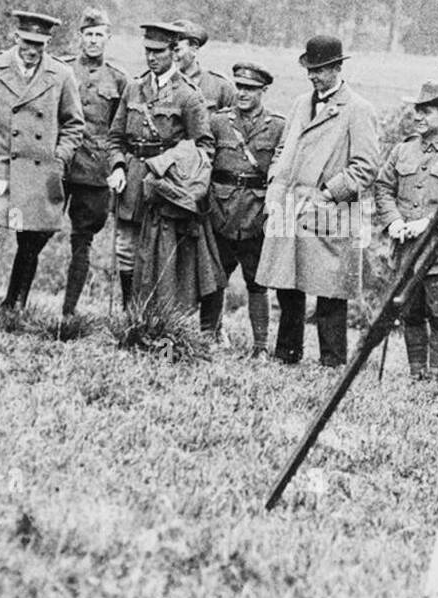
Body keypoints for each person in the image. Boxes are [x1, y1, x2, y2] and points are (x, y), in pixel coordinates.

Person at [255, 35, 379, 367]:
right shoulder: (299, 104)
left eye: (321, 70)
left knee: (330, 291)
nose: (313, 76)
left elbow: (366, 167)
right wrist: (275, 186)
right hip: (290, 207)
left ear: (338, 68)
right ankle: (286, 353)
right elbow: (284, 149)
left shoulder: (358, 109)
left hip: (331, 211)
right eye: (310, 69)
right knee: (287, 284)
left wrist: (328, 193)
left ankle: (332, 361)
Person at [0, 10, 85, 312]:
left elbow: (74, 125)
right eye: (27, 42)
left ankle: (15, 303)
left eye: (39, 45)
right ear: (16, 37)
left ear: (46, 44)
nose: (32, 51)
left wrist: (58, 158)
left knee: (30, 239)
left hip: (37, 172)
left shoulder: (61, 75)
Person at [372, 81, 438, 381]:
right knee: (410, 312)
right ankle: (416, 373)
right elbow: (383, 188)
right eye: (417, 110)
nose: (418, 117)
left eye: (426, 111)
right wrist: (393, 221)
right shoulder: (402, 150)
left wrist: (429, 224)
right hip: (406, 249)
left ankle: (435, 378)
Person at [105, 22, 213, 308]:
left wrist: (173, 172)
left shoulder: (188, 95)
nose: (151, 57)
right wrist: (117, 167)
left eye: (159, 51)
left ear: (174, 52)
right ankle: (130, 312)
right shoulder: (134, 88)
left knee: (159, 257)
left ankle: (157, 319)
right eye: (147, 51)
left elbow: (203, 148)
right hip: (132, 183)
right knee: (125, 251)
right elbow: (115, 137)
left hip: (164, 188)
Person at [199, 61, 287, 352]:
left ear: (263, 91)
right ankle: (207, 337)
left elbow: (280, 168)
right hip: (221, 211)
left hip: (256, 214)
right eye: (240, 87)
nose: (243, 94)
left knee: (257, 282)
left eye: (250, 89)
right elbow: (206, 162)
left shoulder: (277, 126)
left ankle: (261, 347)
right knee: (214, 277)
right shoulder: (219, 122)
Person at [56, 7, 128, 317]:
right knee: (35, 232)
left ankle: (68, 312)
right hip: (60, 165)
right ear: (80, 37)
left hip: (94, 172)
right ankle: (14, 302)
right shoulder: (62, 70)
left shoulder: (119, 79)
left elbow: (119, 130)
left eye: (100, 35)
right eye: (89, 34)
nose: (94, 40)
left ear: (108, 38)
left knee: (82, 241)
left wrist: (116, 166)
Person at [170, 19, 237, 111]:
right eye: (168, 51)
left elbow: (239, 120)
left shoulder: (220, 86)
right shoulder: (158, 84)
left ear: (194, 49)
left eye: (177, 50)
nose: (173, 57)